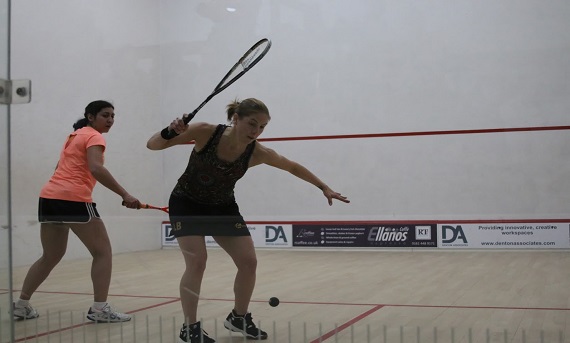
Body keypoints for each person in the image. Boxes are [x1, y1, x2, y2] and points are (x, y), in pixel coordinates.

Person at [146, 98, 350, 343]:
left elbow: (292, 167)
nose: (256, 131)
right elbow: (153, 145)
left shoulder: (258, 152)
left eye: (262, 127)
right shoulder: (205, 132)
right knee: (197, 262)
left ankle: (238, 318)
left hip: (222, 207)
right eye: (252, 123)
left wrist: (323, 187)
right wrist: (169, 132)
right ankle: (190, 328)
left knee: (248, 262)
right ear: (235, 118)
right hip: (186, 203)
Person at [12, 100, 141, 323]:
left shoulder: (75, 135)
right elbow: (96, 168)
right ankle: (100, 309)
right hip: (73, 199)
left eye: (112, 116)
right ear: (91, 117)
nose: (110, 120)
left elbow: (58, 168)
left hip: (49, 197)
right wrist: (125, 195)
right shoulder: (94, 136)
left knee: (50, 255)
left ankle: (21, 305)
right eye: (105, 115)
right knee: (103, 252)